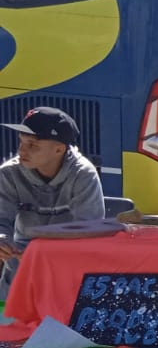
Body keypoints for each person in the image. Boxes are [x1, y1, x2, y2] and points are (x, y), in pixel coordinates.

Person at [0, 106, 105, 296]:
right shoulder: (8, 173)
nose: (22, 150)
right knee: (8, 319)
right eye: (21, 142)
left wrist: (42, 255)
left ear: (59, 149)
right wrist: (2, 240)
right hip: (19, 263)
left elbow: (90, 233)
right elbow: (1, 219)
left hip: (68, 266)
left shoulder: (83, 175)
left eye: (33, 145)